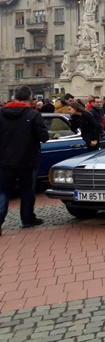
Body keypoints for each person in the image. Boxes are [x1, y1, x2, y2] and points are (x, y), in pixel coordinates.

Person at [0, 85, 50, 233]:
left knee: (3, 191)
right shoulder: (33, 114)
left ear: (14, 97)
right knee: (27, 190)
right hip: (27, 159)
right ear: (29, 98)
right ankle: (27, 219)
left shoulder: (1, 113)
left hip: (4, 160)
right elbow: (44, 137)